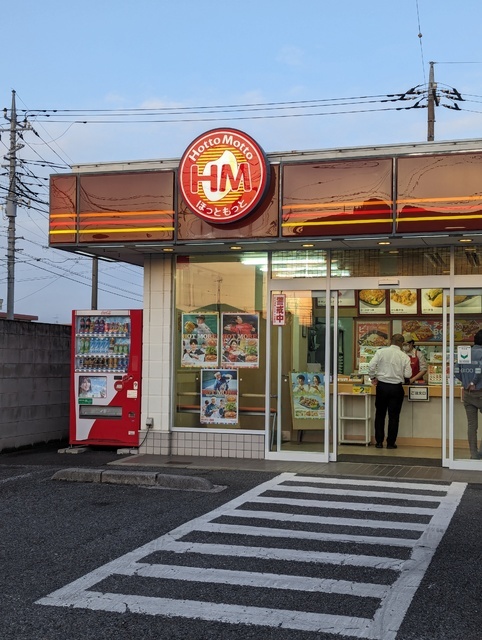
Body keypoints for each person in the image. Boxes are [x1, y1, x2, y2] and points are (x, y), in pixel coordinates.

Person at [368, 333, 412, 449]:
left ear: (390, 341)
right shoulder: (404, 356)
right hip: (396, 388)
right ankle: (391, 443)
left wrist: (373, 378)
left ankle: (379, 442)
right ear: (402, 344)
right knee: (394, 416)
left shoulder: (381, 352)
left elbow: (371, 366)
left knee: (380, 414)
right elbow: (408, 374)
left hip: (382, 387)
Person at [454, 329, 482, 460]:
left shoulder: (465, 352)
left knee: (472, 425)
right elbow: (480, 370)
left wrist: (466, 382)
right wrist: (474, 382)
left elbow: (456, 371)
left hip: (468, 394)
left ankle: (474, 454)